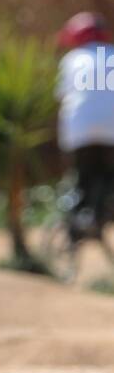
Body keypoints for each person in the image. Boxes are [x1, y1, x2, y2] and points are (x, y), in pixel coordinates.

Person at [55, 12, 114, 235]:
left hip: (79, 130)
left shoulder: (71, 60)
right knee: (107, 174)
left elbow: (61, 96)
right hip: (112, 128)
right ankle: (100, 214)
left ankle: (78, 220)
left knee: (82, 176)